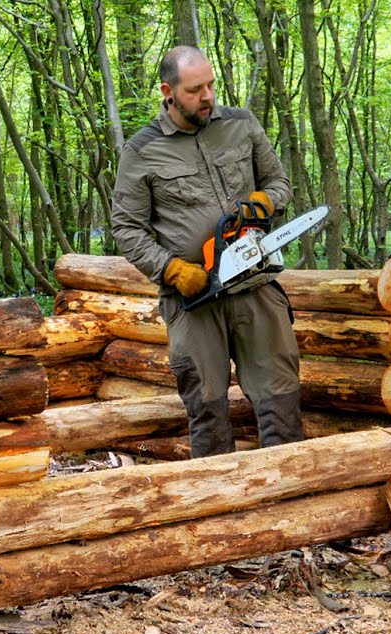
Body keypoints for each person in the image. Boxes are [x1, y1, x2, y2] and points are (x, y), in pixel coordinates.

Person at [110, 45, 303, 458]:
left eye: (211, 85)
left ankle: (289, 492)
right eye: (196, 89)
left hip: (254, 280)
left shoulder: (242, 125)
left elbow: (279, 183)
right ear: (169, 90)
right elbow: (125, 227)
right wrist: (172, 269)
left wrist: (265, 203)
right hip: (195, 296)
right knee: (207, 404)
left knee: (280, 394)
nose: (208, 96)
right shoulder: (141, 151)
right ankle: (217, 504)